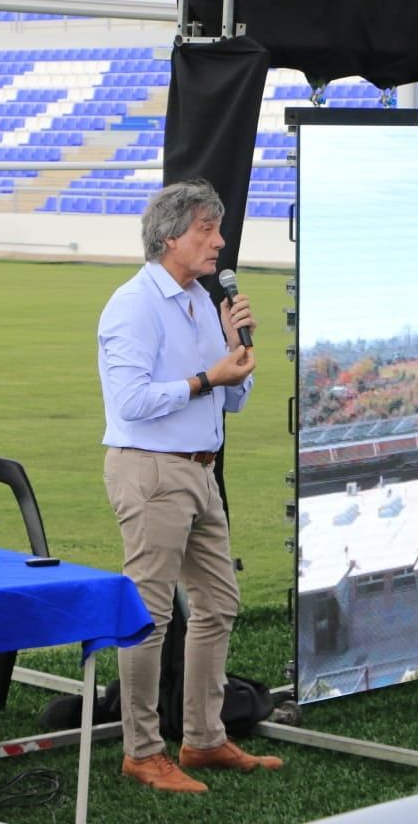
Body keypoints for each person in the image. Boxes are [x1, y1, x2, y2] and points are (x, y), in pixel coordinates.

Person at [97, 178, 283, 794]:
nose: (219, 242)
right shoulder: (133, 305)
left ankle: (202, 739)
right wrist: (209, 376)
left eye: (218, 229)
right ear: (170, 235)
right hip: (152, 469)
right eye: (207, 229)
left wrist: (235, 357)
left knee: (218, 603)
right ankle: (141, 751)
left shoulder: (203, 300)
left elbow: (231, 396)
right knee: (149, 617)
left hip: (201, 469)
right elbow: (131, 401)